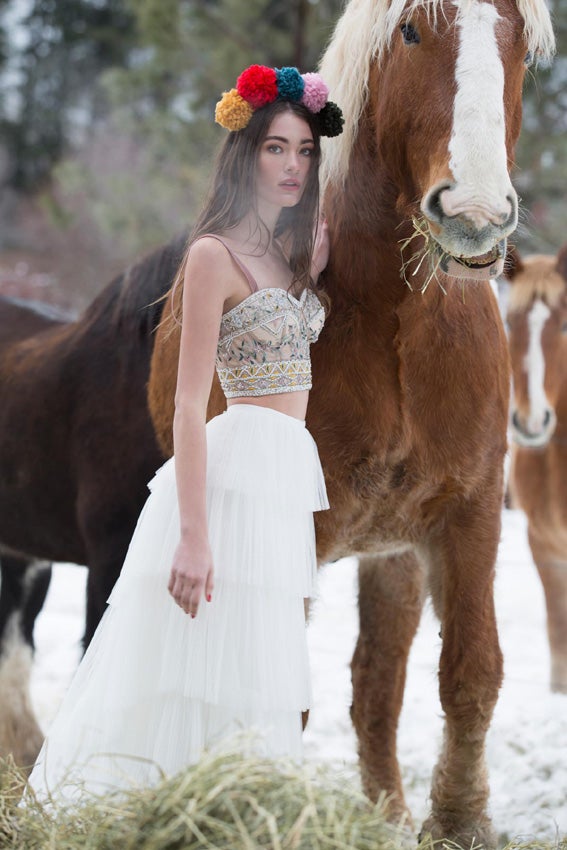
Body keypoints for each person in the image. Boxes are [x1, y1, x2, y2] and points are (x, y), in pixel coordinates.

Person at [27, 64, 344, 802]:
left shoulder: (290, 258)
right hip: (229, 478)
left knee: (256, 661)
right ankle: (149, 805)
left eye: (303, 151)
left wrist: (312, 274)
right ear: (245, 154)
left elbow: (294, 329)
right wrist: (193, 536)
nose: (292, 165)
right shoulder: (212, 255)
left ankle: (235, 806)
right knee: (192, 659)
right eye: (275, 149)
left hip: (280, 478)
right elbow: (186, 406)